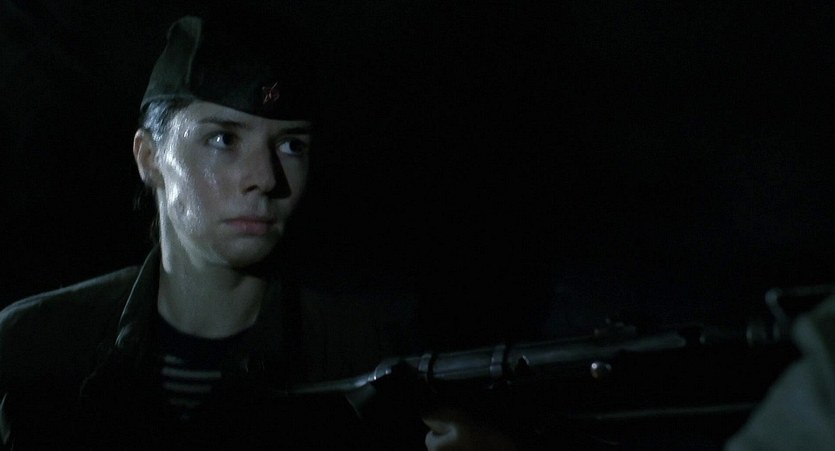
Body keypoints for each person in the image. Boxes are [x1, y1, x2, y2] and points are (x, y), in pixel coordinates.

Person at [0, 14, 422, 450]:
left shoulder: (371, 351)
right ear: (149, 158)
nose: (266, 178)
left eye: (292, 145)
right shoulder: (34, 345)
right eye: (223, 139)